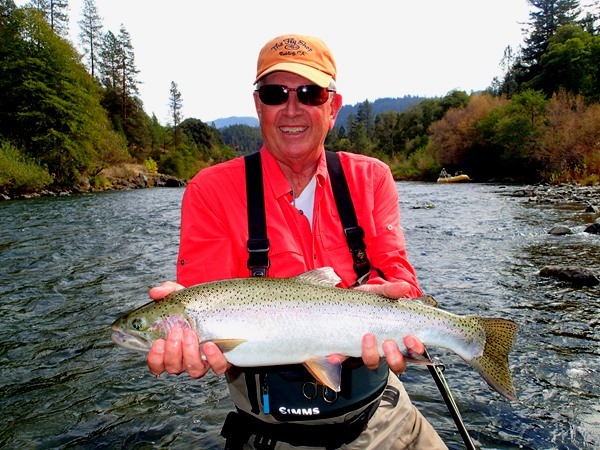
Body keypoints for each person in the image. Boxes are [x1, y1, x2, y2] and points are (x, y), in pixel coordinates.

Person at [147, 34, 447, 449]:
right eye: (275, 93)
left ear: (332, 107)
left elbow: (399, 277)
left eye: (310, 93)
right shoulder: (210, 191)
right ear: (258, 105)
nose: (292, 108)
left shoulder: (371, 178)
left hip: (386, 418)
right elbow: (204, 298)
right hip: (272, 437)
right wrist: (185, 334)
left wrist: (395, 298)